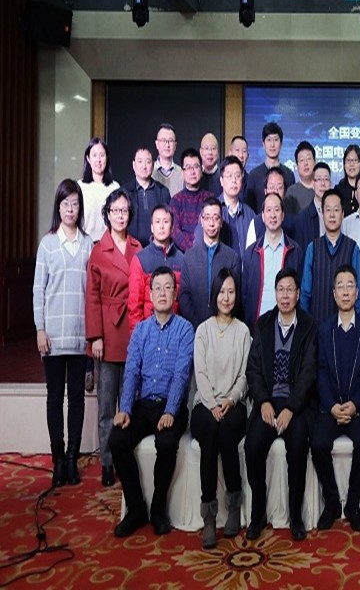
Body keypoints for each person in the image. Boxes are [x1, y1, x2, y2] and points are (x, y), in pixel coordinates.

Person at [109, 266, 194, 537]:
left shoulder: (185, 329)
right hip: (144, 405)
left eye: (168, 287)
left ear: (175, 293)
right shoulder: (141, 331)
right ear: (150, 293)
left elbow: (181, 374)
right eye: (157, 288)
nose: (162, 293)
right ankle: (136, 508)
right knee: (117, 440)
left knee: (167, 442)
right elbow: (132, 371)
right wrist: (125, 409)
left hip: (172, 405)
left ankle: (158, 509)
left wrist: (170, 411)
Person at [244, 268, 317, 542]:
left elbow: (309, 373)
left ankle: (295, 516)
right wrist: (263, 401)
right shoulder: (263, 324)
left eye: (290, 290)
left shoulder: (309, 326)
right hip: (268, 402)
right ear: (275, 294)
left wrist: (291, 408)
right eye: (281, 290)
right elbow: (253, 370)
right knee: (253, 446)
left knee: (297, 447)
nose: (285, 296)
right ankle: (258, 514)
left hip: (295, 405)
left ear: (298, 294)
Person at [34, 180, 93, 487]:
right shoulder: (47, 244)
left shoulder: (88, 244)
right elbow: (38, 291)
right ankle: (57, 459)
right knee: (55, 397)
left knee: (77, 400)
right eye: (65, 203)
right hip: (53, 336)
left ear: (80, 207)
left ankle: (72, 458)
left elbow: (92, 292)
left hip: (80, 334)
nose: (71, 209)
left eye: (75, 203)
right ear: (58, 207)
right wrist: (40, 329)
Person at [86, 189, 142, 487]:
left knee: (129, 402)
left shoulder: (137, 246)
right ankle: (107, 461)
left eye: (124, 211)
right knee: (107, 404)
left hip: (132, 328)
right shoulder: (99, 250)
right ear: (107, 214)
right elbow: (92, 297)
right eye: (115, 211)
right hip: (107, 332)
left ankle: (126, 458)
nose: (120, 216)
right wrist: (95, 336)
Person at [311, 265, 360, 532]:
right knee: (317, 443)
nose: (346, 292)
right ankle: (332, 502)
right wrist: (332, 406)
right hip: (331, 407)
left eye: (350, 286)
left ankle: (353, 503)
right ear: (334, 293)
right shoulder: (324, 330)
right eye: (341, 286)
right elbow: (321, 372)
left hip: (358, 407)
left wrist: (355, 404)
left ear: (357, 292)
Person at [191, 269, 251, 548]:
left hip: (233, 403)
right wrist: (213, 404)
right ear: (214, 294)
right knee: (209, 433)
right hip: (205, 403)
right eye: (222, 292)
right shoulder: (203, 330)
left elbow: (245, 376)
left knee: (227, 431)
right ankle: (209, 515)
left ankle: (234, 504)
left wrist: (231, 399)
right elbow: (200, 373)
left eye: (231, 292)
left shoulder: (243, 331)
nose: (226, 298)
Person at [300, 190, 360, 323]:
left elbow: (359, 293)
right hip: (316, 325)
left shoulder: (353, 248)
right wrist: (304, 326)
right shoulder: (312, 248)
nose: (332, 215)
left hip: (346, 327)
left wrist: (359, 326)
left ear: (343, 214)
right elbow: (305, 293)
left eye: (336, 210)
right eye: (328, 210)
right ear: (322, 214)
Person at [242, 193, 302, 331]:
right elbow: (244, 295)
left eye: (277, 210)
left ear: (283, 215)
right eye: (268, 210)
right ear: (263, 216)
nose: (273, 215)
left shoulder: (295, 251)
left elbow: (300, 292)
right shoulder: (251, 253)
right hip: (257, 327)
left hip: (287, 326)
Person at [178, 197, 241, 330]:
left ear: (221, 222)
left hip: (224, 327)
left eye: (216, 218)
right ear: (201, 221)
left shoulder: (232, 257)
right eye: (207, 218)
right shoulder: (189, 257)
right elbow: (184, 296)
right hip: (194, 328)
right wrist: (198, 326)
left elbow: (235, 296)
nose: (211, 223)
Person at [127, 204, 184, 333]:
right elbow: (134, 306)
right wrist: (139, 335)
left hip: (174, 331)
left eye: (166, 222)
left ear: (172, 227)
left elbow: (184, 303)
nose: (161, 226)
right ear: (152, 227)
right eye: (157, 222)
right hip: (148, 331)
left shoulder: (182, 259)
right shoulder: (140, 259)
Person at [121, 147, 171, 248]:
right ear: (134, 165)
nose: (144, 166)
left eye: (148, 162)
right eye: (140, 162)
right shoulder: (124, 192)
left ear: (153, 165)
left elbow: (169, 221)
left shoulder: (163, 191)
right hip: (130, 248)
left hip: (158, 248)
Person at [214, 155, 257, 264]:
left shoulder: (250, 215)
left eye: (237, 176)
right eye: (229, 176)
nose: (234, 180)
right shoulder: (212, 211)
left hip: (243, 272)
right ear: (221, 181)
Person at [245, 122, 295, 214]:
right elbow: (249, 209)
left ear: (281, 144)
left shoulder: (289, 175)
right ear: (263, 144)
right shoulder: (253, 175)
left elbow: (290, 207)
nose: (272, 144)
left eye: (276, 140)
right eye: (269, 140)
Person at [170, 148, 214, 252]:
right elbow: (175, 232)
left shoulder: (210, 199)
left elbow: (213, 228)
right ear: (182, 172)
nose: (192, 172)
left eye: (196, 167)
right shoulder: (176, 200)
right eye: (188, 167)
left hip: (206, 251)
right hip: (183, 255)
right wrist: (193, 251)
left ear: (201, 170)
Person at [79, 137, 120, 242]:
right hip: (84, 244)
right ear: (88, 158)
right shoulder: (80, 187)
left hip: (109, 244)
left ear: (107, 158)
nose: (98, 160)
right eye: (94, 155)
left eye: (102, 155)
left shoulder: (114, 187)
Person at [152, 124, 183, 197]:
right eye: (163, 140)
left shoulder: (182, 173)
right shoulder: (149, 171)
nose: (167, 145)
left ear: (175, 145)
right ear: (157, 144)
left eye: (171, 141)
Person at [285, 141, 316, 215]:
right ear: (297, 166)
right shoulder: (291, 193)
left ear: (315, 162)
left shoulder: (323, 188)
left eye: (309, 158)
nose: (306, 163)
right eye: (301, 160)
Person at [335, 144, 360, 216]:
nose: (351, 164)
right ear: (344, 165)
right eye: (348, 160)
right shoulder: (338, 189)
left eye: (355, 160)